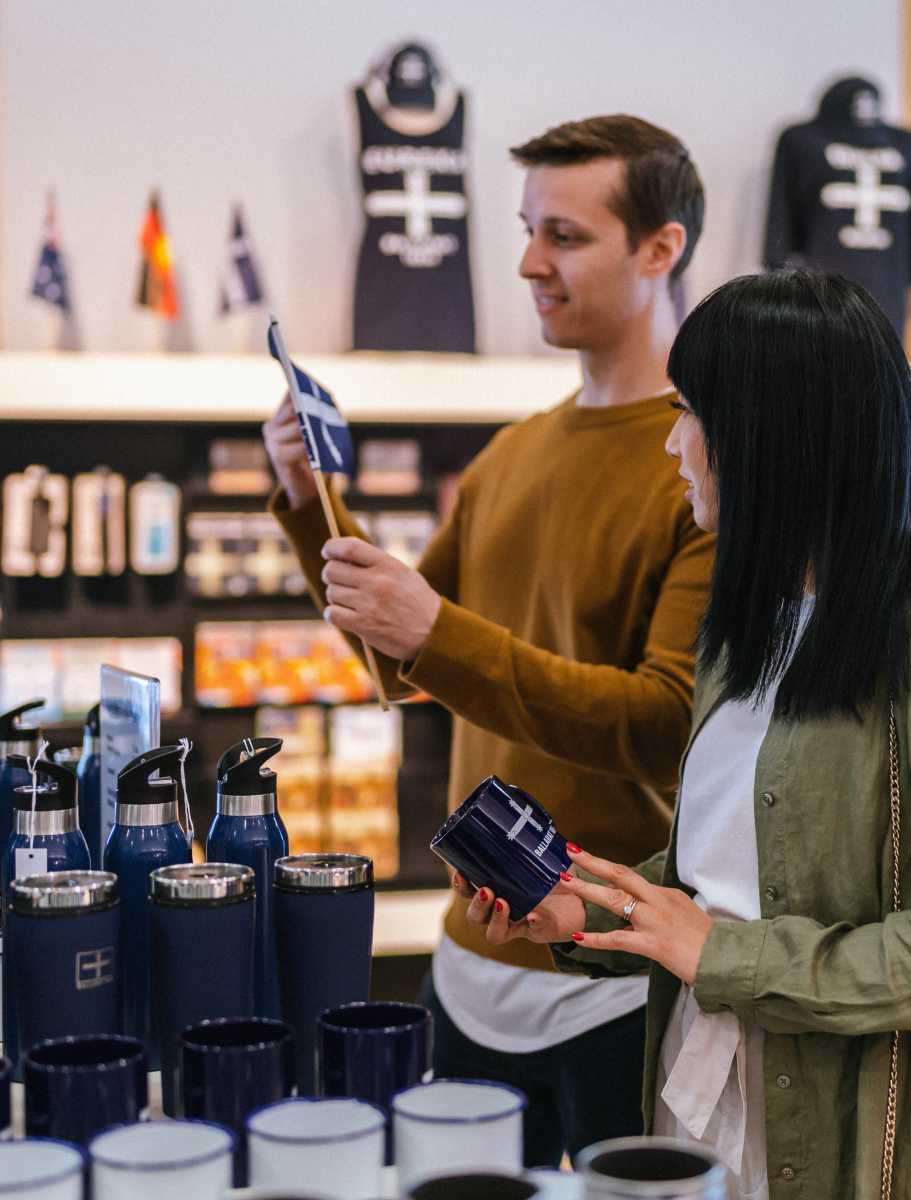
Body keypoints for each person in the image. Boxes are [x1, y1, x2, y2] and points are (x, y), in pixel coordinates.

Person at [466, 270, 911, 1198]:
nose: (675, 444)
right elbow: (732, 874)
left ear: (774, 436)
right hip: (711, 1113)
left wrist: (733, 961)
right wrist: (581, 913)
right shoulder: (751, 621)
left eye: (694, 412)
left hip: (871, 1147)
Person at [263, 115, 714, 1167]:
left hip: (616, 978)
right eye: (527, 231)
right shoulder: (512, 456)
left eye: (564, 235)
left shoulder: (701, 472)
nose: (527, 263)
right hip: (468, 965)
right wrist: (302, 503)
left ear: (661, 249)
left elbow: (666, 725)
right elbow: (402, 663)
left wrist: (436, 631)